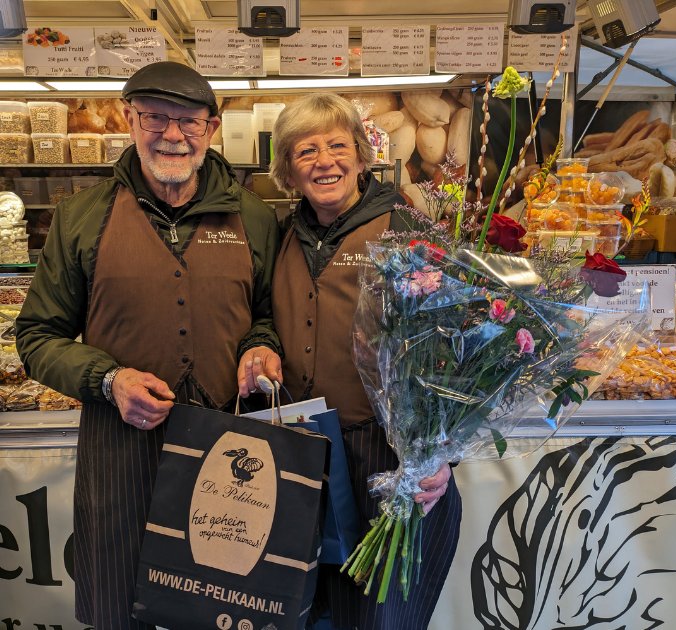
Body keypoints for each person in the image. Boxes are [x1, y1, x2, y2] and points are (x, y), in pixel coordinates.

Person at [14, 61, 283, 629]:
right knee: (120, 607)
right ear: (130, 119)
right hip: (121, 456)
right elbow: (37, 336)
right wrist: (109, 381)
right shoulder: (80, 218)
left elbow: (267, 315)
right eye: (155, 117)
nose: (172, 134)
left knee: (226, 609)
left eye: (188, 121)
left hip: (229, 455)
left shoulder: (254, 218)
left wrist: (260, 347)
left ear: (212, 128)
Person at [267, 92, 461, 628]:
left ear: (360, 153)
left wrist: (443, 454)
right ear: (287, 168)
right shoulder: (280, 236)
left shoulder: (406, 230)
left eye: (337, 145)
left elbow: (456, 348)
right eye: (306, 151)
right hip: (299, 455)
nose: (324, 161)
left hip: (388, 460)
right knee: (301, 612)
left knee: (379, 616)